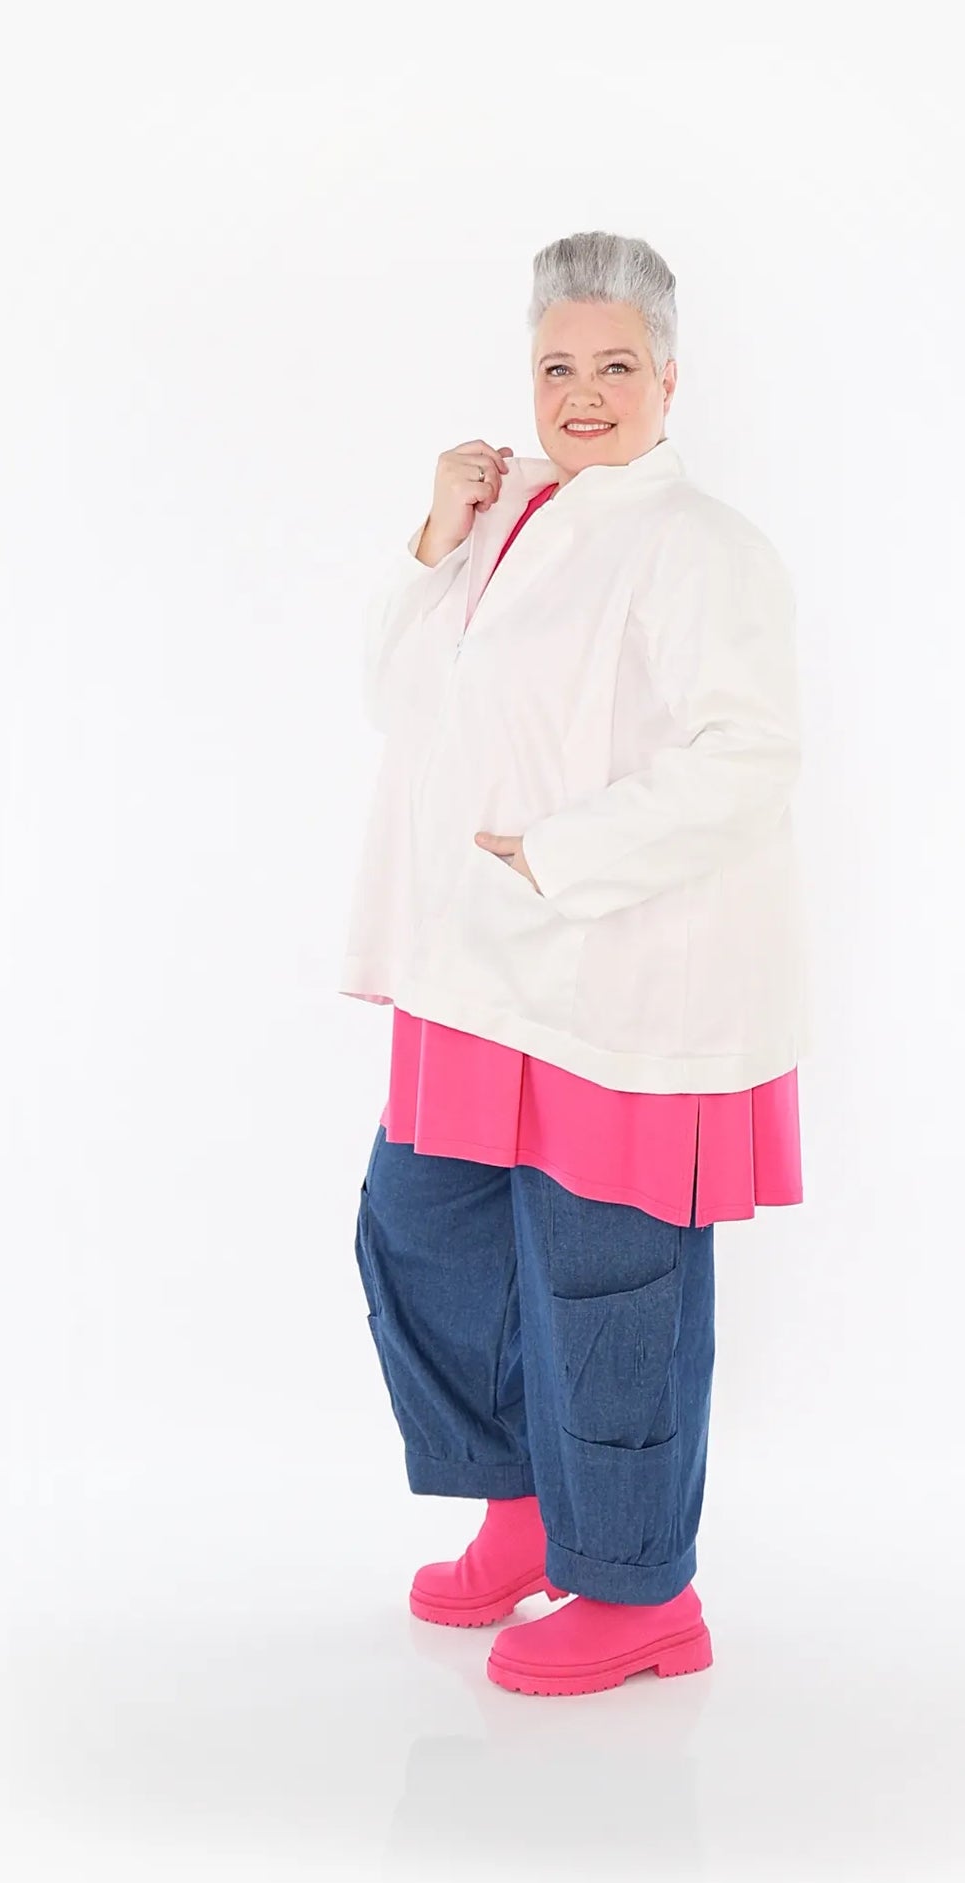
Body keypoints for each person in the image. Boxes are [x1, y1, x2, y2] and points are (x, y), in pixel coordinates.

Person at [340, 231, 811, 1697]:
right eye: (557, 366)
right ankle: (525, 1511)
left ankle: (639, 1590)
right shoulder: (504, 515)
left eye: (615, 365)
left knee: (609, 1286)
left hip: (617, 979)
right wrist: (433, 535)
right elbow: (397, 697)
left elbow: (750, 758)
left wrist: (557, 855)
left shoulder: (704, 547)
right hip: (470, 971)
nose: (584, 393)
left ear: (669, 378)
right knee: (426, 1233)